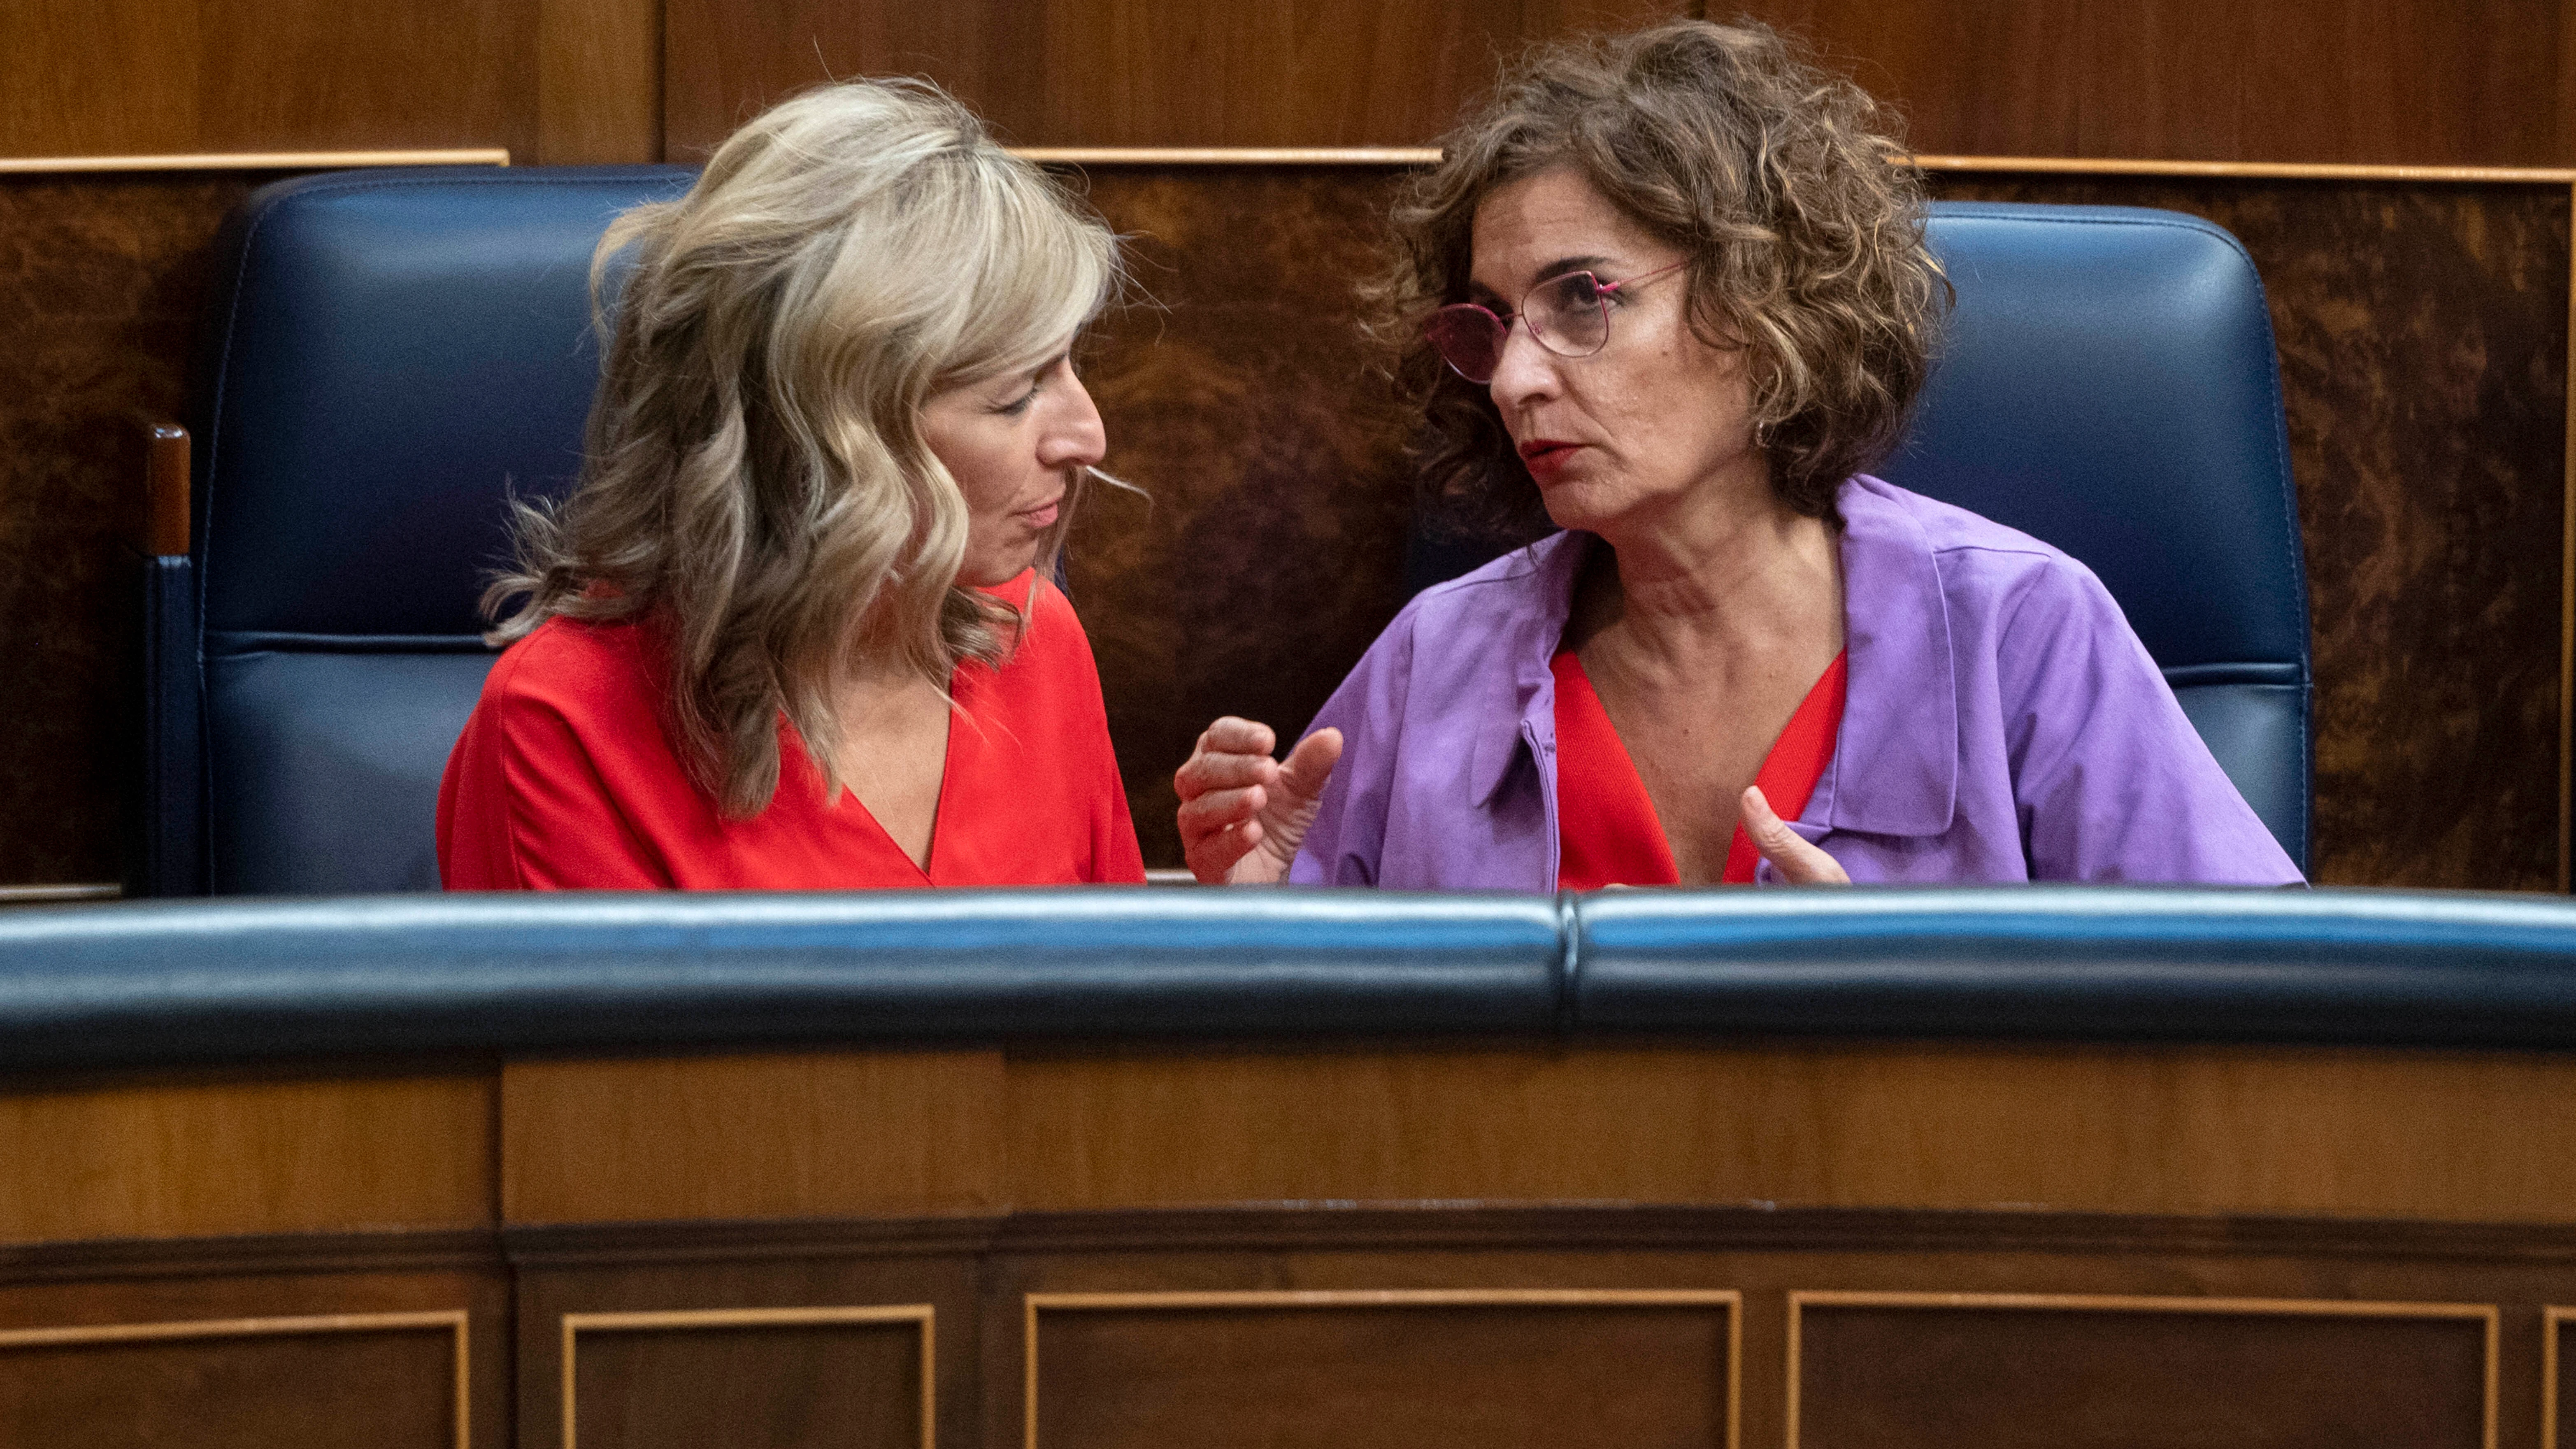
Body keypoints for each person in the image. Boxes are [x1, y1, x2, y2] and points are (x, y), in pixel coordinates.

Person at [1173, 20, 2301, 890]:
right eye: (1492, 323)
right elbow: (1331, 1100)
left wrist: (1932, 1017)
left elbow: (2258, 1024)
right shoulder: (1439, 658)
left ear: (1763, 306)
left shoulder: (2023, 632)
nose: (1515, 379)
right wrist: (1260, 921)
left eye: (1581, 300)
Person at [439, 79, 1145, 889]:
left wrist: (1245, 923)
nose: (1088, 436)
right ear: (824, 435)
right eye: (1015, 395)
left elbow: (1115, 1005)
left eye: (1068, 364)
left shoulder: (1034, 635)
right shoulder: (562, 721)